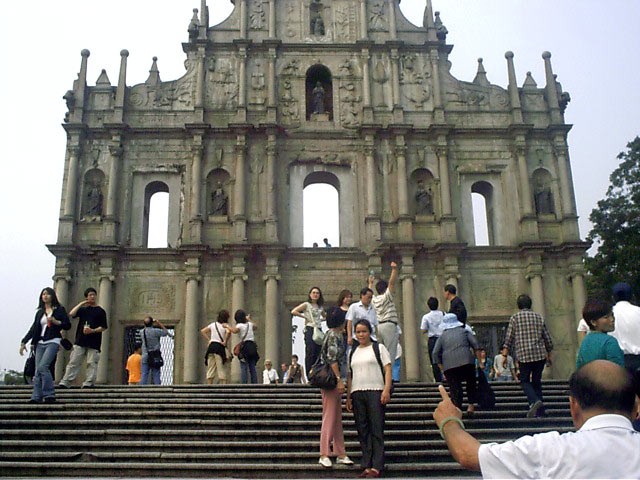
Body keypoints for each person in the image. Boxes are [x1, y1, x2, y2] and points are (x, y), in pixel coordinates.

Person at [433, 360, 640, 478]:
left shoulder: (550, 451)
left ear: (573, 405)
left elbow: (470, 455)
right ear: (636, 408)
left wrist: (449, 421)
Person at [346, 319, 392, 478]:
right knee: (362, 429)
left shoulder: (378, 348)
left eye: (363, 331)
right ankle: (366, 464)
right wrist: (348, 396)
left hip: (376, 390)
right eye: (358, 332)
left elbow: (387, 369)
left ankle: (377, 465)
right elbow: (350, 375)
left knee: (376, 428)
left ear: (369, 332)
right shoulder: (352, 351)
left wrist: (386, 389)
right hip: (357, 392)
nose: (361, 334)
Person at [503, 294, 553, 418]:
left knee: (524, 380)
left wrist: (505, 355)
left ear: (518, 305)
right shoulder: (538, 317)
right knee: (537, 381)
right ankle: (540, 410)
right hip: (539, 354)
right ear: (530, 304)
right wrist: (549, 354)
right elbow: (547, 338)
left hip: (524, 355)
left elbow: (509, 337)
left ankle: (535, 401)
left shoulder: (515, 318)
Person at [19, 288, 71, 403]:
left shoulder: (59, 310)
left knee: (43, 367)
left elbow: (67, 325)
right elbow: (34, 328)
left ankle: (50, 394)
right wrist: (24, 342)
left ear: (52, 296)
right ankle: (36, 397)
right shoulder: (40, 312)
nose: (45, 296)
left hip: (53, 340)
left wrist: (56, 322)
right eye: (43, 294)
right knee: (38, 371)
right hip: (40, 342)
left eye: (47, 294)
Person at [318, 307, 354, 468]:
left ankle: (340, 452)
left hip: (335, 381)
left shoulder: (335, 335)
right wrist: (340, 379)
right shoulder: (333, 335)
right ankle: (324, 452)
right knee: (330, 416)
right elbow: (332, 359)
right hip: (332, 381)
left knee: (336, 418)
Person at [58, 287, 108, 388]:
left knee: (91, 363)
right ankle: (66, 381)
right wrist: (81, 304)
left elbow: (104, 327)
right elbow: (71, 314)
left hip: (94, 342)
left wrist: (92, 331)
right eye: (90, 295)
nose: (92, 297)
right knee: (74, 362)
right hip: (80, 340)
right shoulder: (83, 310)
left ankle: (89, 382)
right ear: (86, 297)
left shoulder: (100, 311)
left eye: (94, 295)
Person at [432, 313, 481, 416]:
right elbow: (476, 345)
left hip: (449, 366)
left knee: (455, 387)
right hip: (467, 361)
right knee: (470, 383)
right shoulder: (465, 332)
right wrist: (479, 362)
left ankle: (457, 408)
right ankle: (471, 405)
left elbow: (435, 353)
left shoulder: (442, 337)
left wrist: (441, 367)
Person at [576, 299, 624, 370]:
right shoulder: (609, 341)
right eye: (606, 317)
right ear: (593, 322)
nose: (612, 319)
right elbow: (618, 370)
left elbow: (579, 366)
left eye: (612, 315)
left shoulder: (585, 340)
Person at [370, 262, 400, 364]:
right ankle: (389, 377)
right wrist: (394, 270)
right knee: (390, 353)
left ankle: (382, 375)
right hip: (389, 325)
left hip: (379, 326)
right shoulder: (387, 297)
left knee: (380, 352)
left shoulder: (374, 300)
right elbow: (391, 283)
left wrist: (370, 283)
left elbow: (370, 292)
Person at [291, 287, 326, 375]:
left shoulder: (320, 307)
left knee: (318, 352)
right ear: (310, 294)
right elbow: (294, 311)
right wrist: (305, 317)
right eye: (313, 293)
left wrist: (320, 320)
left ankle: (316, 373)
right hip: (310, 328)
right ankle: (309, 374)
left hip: (318, 329)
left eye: (317, 293)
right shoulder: (306, 304)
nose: (315, 294)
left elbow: (325, 316)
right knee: (310, 351)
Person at [610, 282, 640, 381]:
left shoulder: (607, 315)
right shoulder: (638, 311)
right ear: (631, 296)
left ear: (613, 297)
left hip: (617, 364)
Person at [227, 309, 260, 384]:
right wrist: (249, 319)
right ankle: (255, 383)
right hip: (252, 346)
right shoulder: (249, 324)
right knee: (252, 367)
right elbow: (256, 326)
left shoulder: (239, 325)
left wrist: (227, 326)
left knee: (244, 366)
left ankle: (244, 384)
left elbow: (235, 331)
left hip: (245, 347)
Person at [201, 310, 232, 385]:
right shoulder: (224, 326)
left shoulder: (213, 324)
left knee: (211, 367)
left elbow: (203, 331)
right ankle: (223, 384)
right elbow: (228, 332)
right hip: (219, 348)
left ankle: (209, 385)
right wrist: (225, 341)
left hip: (211, 347)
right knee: (221, 367)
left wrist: (209, 340)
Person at [140, 316, 172, 385]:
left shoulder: (142, 332)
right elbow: (166, 332)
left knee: (144, 374)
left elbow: (145, 327)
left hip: (145, 355)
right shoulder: (156, 331)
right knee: (156, 373)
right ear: (152, 323)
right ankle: (158, 389)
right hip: (155, 355)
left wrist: (148, 324)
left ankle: (141, 389)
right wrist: (158, 323)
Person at [420, 296, 445, 382]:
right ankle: (446, 376)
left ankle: (438, 380)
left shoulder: (426, 317)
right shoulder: (444, 314)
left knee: (434, 360)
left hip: (433, 340)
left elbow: (423, 330)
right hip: (443, 338)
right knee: (444, 358)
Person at [334, 289, 353, 380]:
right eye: (346, 297)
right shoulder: (338, 310)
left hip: (352, 335)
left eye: (350, 297)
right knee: (343, 357)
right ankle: (344, 376)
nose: (348, 299)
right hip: (342, 336)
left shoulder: (352, 309)